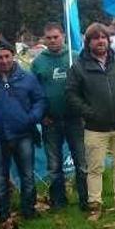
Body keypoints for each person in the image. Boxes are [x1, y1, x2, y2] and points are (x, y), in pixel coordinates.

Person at [66, 23, 115, 211]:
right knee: (95, 169)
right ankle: (95, 203)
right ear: (88, 42)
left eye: (103, 37)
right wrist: (89, 113)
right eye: (95, 38)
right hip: (95, 128)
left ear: (109, 40)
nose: (100, 41)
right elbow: (72, 94)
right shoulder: (79, 67)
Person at [0, 40, 46, 224]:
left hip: (23, 135)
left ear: (13, 56)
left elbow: (39, 100)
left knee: (27, 175)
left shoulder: (27, 78)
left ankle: (28, 209)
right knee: (0, 177)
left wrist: (32, 118)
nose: (4, 61)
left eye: (7, 56)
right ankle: (2, 213)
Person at [31, 23, 88, 211]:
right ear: (44, 39)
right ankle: (58, 201)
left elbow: (87, 86)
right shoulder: (38, 62)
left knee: (81, 163)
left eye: (56, 37)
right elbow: (33, 93)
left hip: (75, 119)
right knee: (54, 166)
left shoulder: (75, 57)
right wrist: (41, 116)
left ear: (63, 36)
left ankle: (85, 199)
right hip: (51, 121)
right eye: (48, 38)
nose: (53, 41)